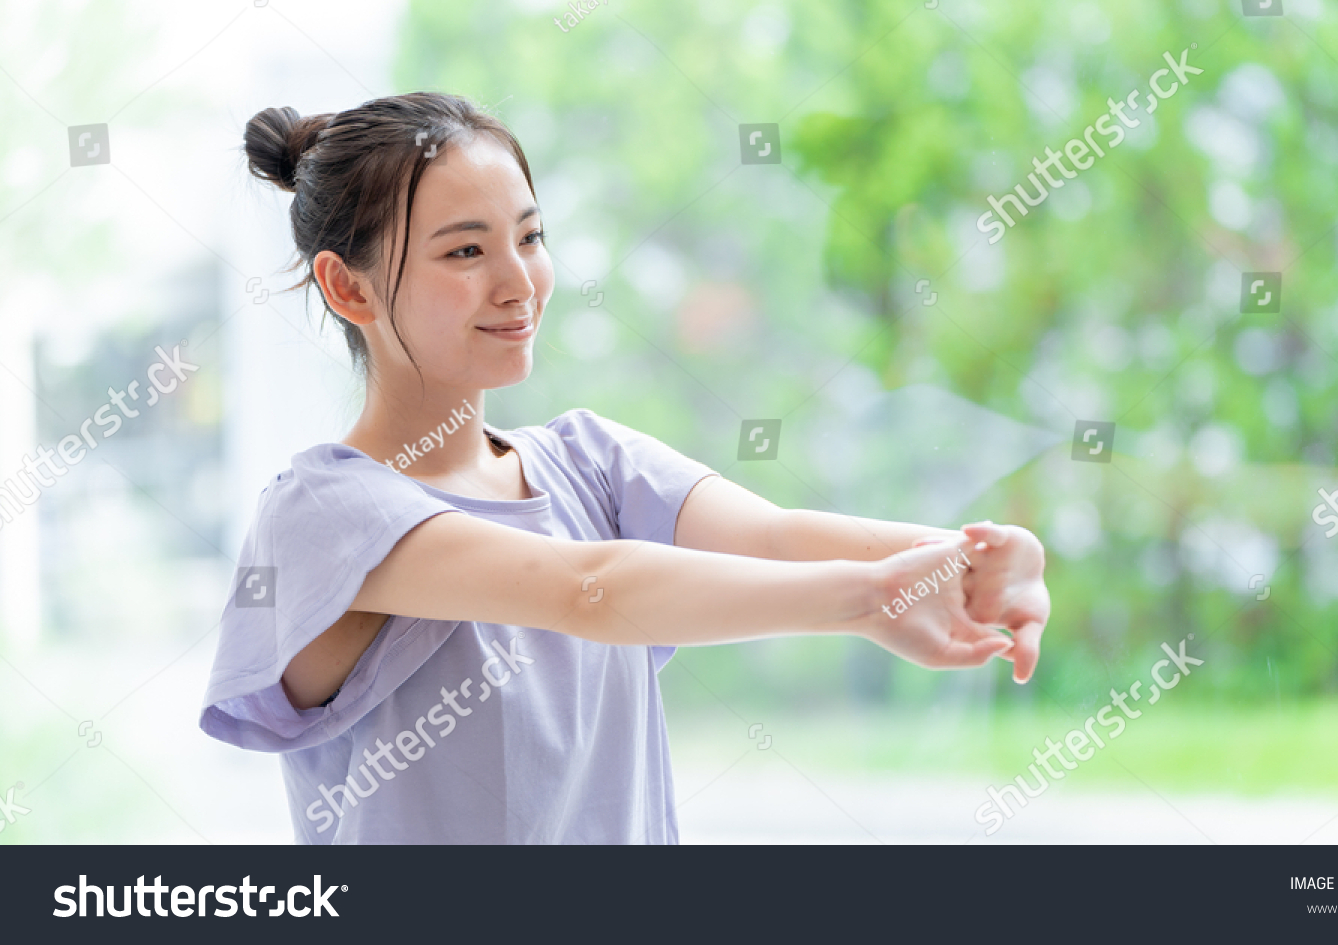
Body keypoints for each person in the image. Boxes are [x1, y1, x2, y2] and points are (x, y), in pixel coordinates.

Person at [199, 91, 1050, 844]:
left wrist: (970, 559)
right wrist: (869, 601)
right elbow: (588, 589)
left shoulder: (590, 461)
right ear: (348, 289)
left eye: (529, 237)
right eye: (465, 252)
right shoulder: (323, 512)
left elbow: (776, 537)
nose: (518, 283)